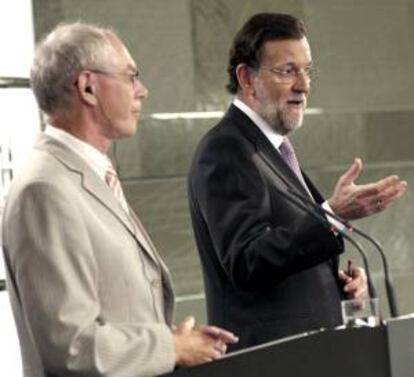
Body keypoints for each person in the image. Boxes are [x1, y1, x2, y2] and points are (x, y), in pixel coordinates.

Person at [1, 22, 238, 377]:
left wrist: (174, 343)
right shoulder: (46, 190)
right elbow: (70, 347)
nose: (141, 91)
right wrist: (170, 347)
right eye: (131, 76)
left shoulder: (89, 173)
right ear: (88, 87)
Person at [187, 13, 407, 351]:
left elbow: (288, 253)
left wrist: (339, 286)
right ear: (247, 78)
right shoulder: (226, 150)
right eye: (287, 71)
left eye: (306, 70)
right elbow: (249, 261)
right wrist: (331, 214)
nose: (303, 85)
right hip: (273, 360)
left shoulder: (272, 149)